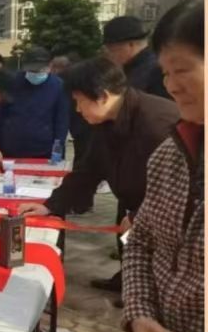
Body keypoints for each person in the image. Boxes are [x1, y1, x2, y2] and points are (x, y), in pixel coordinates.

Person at [18, 57, 179, 297]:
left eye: (79, 101)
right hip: (138, 206)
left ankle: (149, 301)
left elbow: (179, 187)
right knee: (136, 256)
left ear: (102, 96)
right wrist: (50, 205)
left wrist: (142, 215)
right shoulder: (107, 122)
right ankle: (134, 290)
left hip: (170, 218)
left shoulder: (155, 125)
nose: (77, 109)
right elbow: (88, 171)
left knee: (162, 273)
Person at [122, 0, 203, 332]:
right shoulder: (170, 154)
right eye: (166, 72)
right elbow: (140, 241)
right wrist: (140, 312)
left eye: (183, 70)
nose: (172, 85)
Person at [0, 46, 69, 158]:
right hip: (11, 150)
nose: (35, 73)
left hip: (44, 152)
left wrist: (57, 151)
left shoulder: (59, 87)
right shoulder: (13, 82)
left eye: (39, 70)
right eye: (31, 70)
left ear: (49, 66)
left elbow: (62, 122)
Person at [52, 52, 94, 213]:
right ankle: (82, 202)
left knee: (83, 163)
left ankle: (79, 202)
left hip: (82, 126)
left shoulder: (64, 80)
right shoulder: (78, 77)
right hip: (83, 126)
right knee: (84, 162)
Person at [103, 15, 170, 99]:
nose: (110, 54)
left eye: (113, 49)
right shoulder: (129, 67)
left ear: (130, 45)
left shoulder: (156, 71)